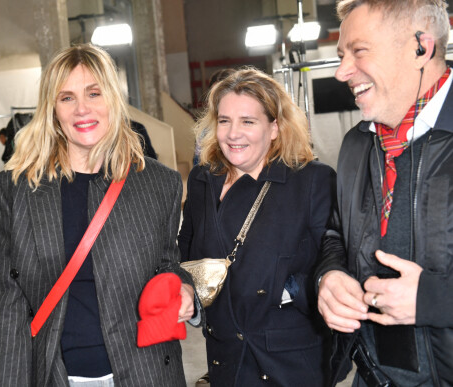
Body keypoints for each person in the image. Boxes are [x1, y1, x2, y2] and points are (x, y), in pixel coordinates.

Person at [0, 43, 199, 387]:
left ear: (113, 99)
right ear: (52, 109)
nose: (81, 109)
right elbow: (8, 297)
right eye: (66, 97)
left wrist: (186, 290)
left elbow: (167, 263)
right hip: (55, 373)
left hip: (142, 370)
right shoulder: (19, 188)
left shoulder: (160, 183)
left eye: (94, 93)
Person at [315, 1, 453, 385]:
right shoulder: (356, 146)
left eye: (359, 51)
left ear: (420, 48)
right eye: (342, 56)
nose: (342, 72)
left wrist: (433, 299)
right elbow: (334, 235)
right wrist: (328, 277)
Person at [178, 68, 336, 386]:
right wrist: (187, 292)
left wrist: (284, 289)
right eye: (224, 121)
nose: (233, 134)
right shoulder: (202, 180)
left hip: (289, 363)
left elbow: (334, 263)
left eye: (248, 121)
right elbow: (186, 249)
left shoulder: (311, 180)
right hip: (225, 359)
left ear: (275, 127)